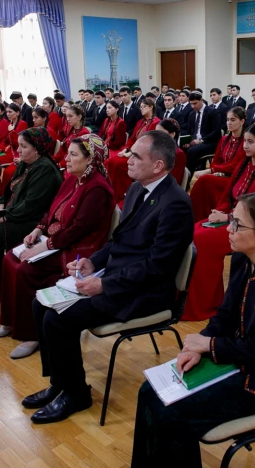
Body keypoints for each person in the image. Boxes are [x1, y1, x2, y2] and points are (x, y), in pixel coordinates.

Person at [131, 192, 255, 468]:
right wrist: (196, 347)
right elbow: (225, 315)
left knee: (172, 412)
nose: (229, 229)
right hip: (237, 360)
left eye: (238, 224)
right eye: (231, 221)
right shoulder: (243, 259)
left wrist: (209, 345)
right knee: (149, 390)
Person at [23, 131, 193, 424]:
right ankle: (60, 384)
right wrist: (93, 262)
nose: (127, 159)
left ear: (158, 166)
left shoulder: (175, 203)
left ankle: (76, 393)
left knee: (58, 320)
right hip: (119, 276)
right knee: (41, 304)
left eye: (137, 156)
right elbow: (118, 240)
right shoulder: (140, 188)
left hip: (145, 291)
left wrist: (104, 283)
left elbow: (158, 267)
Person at [0, 135, 114, 359]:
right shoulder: (72, 178)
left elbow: (79, 229)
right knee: (10, 257)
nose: (66, 158)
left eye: (73, 154)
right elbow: (51, 209)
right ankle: (10, 321)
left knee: (27, 268)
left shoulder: (97, 188)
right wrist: (38, 230)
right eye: (67, 153)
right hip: (55, 239)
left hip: (78, 248)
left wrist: (44, 246)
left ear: (89, 160)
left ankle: (32, 334)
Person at [183, 123, 255, 321]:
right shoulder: (243, 164)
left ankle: (207, 303)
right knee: (190, 232)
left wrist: (228, 218)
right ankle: (185, 298)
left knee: (201, 241)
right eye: (244, 141)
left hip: (251, 227)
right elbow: (228, 195)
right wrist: (219, 212)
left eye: (250, 142)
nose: (245, 145)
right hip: (232, 219)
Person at [0, 128, 63, 307]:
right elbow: (8, 190)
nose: (19, 151)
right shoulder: (27, 163)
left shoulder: (45, 169)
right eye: (19, 146)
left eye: (24, 147)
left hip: (32, 221)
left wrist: (3, 218)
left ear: (37, 148)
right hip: (14, 213)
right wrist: (0, 206)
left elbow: (32, 205)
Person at [105, 98, 160, 203]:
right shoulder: (141, 122)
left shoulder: (156, 123)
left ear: (151, 107)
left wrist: (132, 153)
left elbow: (150, 143)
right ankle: (112, 192)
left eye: (144, 106)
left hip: (144, 155)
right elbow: (132, 138)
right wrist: (126, 149)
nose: (141, 109)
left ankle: (121, 194)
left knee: (115, 163)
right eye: (140, 107)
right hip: (133, 152)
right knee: (109, 162)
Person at [189, 107, 247, 202]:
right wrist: (214, 171)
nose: (229, 123)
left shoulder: (245, 141)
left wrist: (210, 170)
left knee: (204, 181)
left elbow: (235, 165)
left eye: (233, 120)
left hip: (235, 178)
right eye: (227, 120)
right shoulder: (224, 139)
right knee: (204, 182)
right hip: (220, 174)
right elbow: (216, 159)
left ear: (242, 121)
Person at [182, 92, 222, 174]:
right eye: (191, 104)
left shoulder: (212, 112)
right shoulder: (192, 114)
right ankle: (183, 173)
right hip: (195, 141)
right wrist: (186, 141)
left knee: (192, 150)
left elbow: (216, 131)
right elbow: (189, 131)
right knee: (181, 149)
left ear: (201, 100)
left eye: (195, 103)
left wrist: (202, 140)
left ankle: (188, 176)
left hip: (210, 142)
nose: (193, 106)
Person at [158, 118, 187, 186]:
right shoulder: (157, 149)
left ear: (172, 134)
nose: (156, 135)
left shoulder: (178, 154)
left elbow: (174, 180)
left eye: (160, 132)